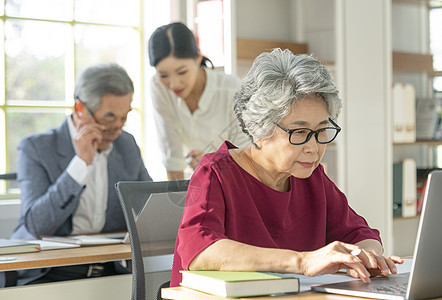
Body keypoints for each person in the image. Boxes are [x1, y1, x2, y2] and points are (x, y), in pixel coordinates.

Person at [170, 49, 403, 287]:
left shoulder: (311, 178)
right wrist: (303, 262)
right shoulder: (216, 173)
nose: (313, 147)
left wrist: (366, 257)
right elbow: (200, 250)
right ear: (259, 130)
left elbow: (360, 234)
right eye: (300, 132)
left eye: (321, 130)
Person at [8, 63, 152, 286]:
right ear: (80, 109)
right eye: (108, 118)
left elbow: (148, 209)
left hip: (109, 270)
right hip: (48, 274)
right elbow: (37, 225)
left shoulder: (126, 145)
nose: (117, 129)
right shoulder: (35, 148)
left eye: (124, 118)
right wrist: (80, 164)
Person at [148, 22, 249, 180]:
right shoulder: (158, 87)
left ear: (198, 58)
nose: (174, 84)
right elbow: (172, 156)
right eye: (164, 75)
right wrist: (176, 202)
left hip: (234, 183)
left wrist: (212, 164)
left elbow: (245, 158)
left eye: (182, 72)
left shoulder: (232, 89)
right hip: (193, 184)